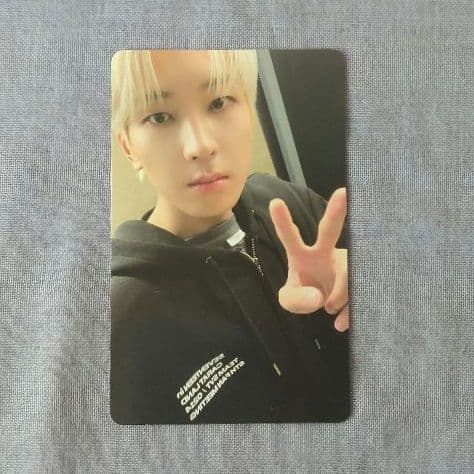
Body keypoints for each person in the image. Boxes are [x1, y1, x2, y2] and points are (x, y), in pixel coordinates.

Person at [110, 49, 350, 424]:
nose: (200, 146)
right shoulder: (120, 322)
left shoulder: (288, 204)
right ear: (129, 147)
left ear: (250, 111)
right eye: (159, 116)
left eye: (219, 102)